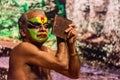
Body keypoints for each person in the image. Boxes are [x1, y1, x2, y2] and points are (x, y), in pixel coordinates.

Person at [7, 9, 80, 80]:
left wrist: (71, 45)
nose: (43, 29)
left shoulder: (46, 51)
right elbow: (62, 63)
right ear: (23, 31)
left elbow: (74, 74)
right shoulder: (23, 48)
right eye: (37, 25)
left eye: (46, 26)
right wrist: (60, 34)